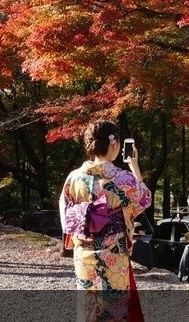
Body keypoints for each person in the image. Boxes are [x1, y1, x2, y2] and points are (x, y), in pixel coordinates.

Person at [59, 121, 151, 322]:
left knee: (88, 305)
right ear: (114, 144)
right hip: (113, 252)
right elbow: (144, 200)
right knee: (114, 308)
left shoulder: (74, 177)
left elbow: (66, 211)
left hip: (83, 250)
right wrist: (135, 168)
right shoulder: (123, 179)